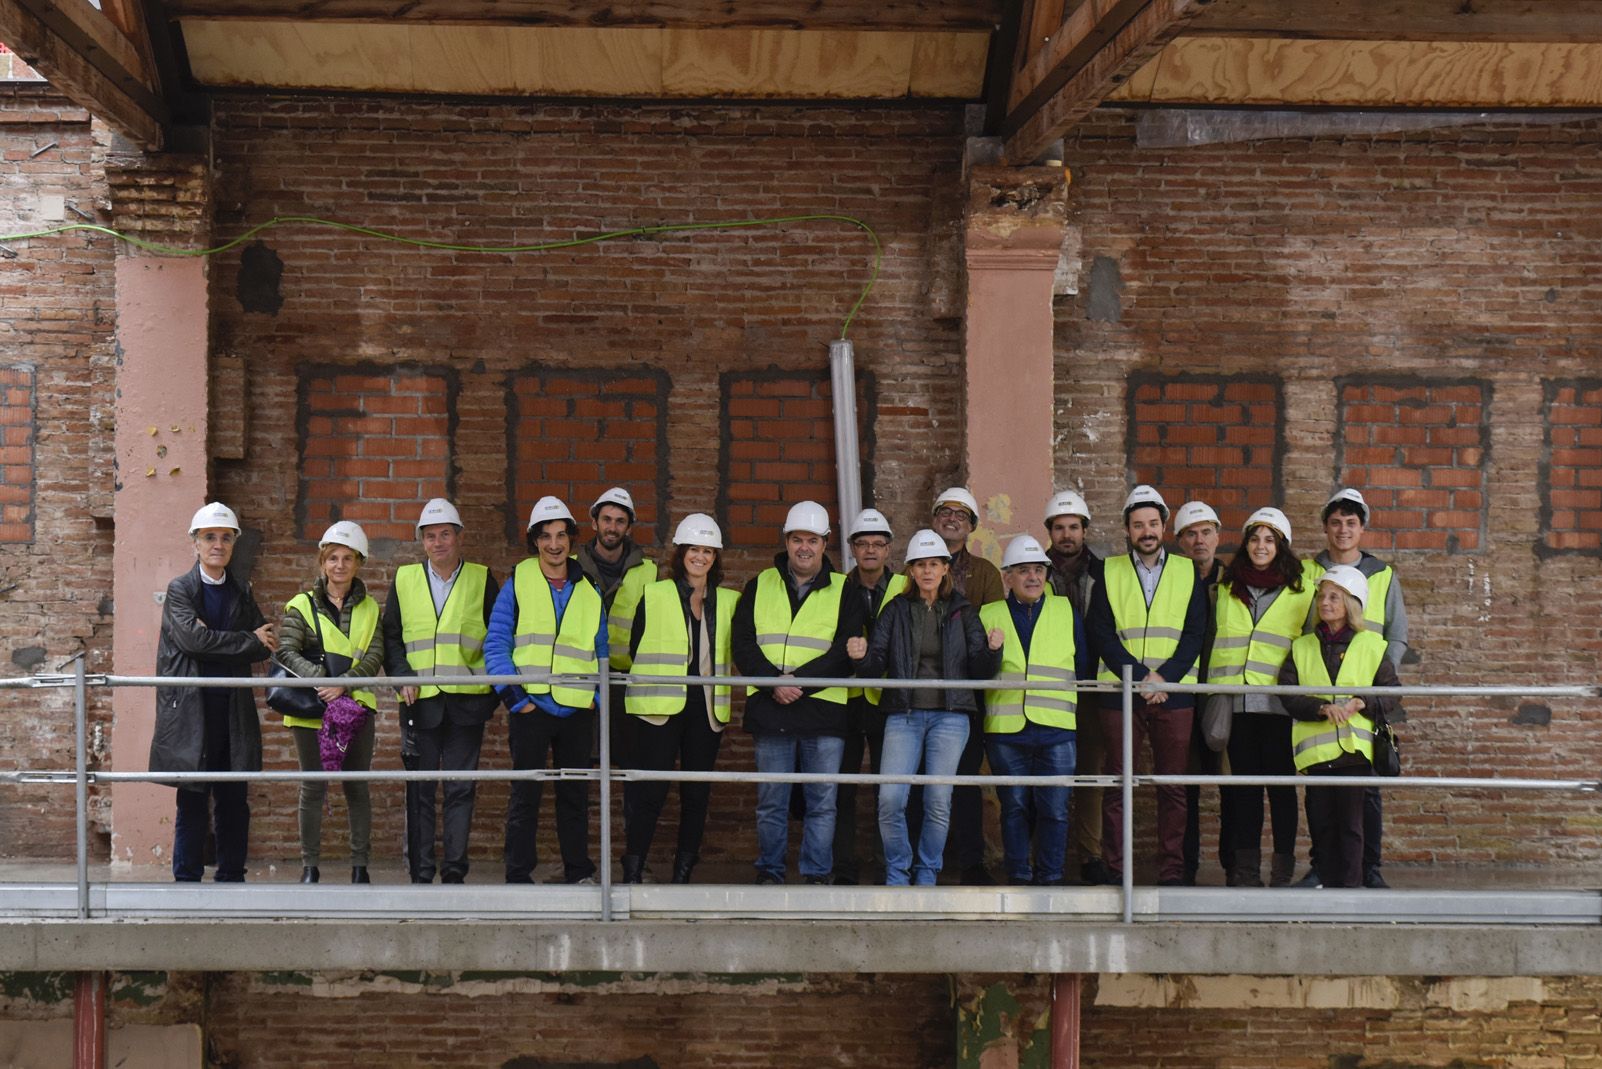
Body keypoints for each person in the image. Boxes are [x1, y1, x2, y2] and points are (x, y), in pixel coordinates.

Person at [848, 529, 1002, 885]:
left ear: (945, 569)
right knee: (890, 798)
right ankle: (898, 871)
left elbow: (981, 670)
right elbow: (876, 665)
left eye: (934, 564)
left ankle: (927, 872)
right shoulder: (896, 610)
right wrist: (861, 657)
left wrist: (993, 651)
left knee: (937, 800)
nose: (928, 571)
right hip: (903, 716)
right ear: (911, 572)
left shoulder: (963, 610)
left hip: (951, 718)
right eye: (921, 565)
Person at [731, 499, 866, 885]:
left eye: (811, 539)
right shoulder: (759, 584)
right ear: (786, 542)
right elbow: (742, 644)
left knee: (822, 803)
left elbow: (846, 650)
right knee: (770, 802)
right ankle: (770, 873)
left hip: (823, 714)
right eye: (796, 539)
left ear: (825, 544)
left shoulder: (845, 590)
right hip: (772, 711)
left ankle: (816, 875)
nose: (803, 547)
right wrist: (774, 682)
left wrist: (796, 684)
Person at [149, 502, 277, 883]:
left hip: (231, 708)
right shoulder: (180, 590)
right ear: (195, 543)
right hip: (192, 709)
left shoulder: (240, 590)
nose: (217, 544)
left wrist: (224, 640)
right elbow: (192, 640)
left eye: (225, 537)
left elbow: (264, 641)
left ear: (233, 543)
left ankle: (232, 874)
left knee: (234, 798)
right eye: (209, 537)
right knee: (191, 798)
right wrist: (242, 639)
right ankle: (186, 877)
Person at [1086, 485, 1207, 885]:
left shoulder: (1189, 571)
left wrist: (1164, 679)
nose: (1147, 531)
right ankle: (1117, 870)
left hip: (1174, 695)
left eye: (1153, 523)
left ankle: (1172, 872)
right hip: (1122, 694)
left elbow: (1194, 633)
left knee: (1172, 788)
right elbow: (1100, 633)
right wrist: (1141, 678)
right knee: (1119, 785)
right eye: (1138, 525)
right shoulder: (1108, 570)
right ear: (1127, 529)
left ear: (1164, 525)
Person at [485, 495, 608, 885]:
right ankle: (518, 874)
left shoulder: (589, 587)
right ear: (535, 541)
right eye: (546, 537)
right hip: (531, 708)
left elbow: (601, 649)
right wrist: (515, 700)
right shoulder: (518, 581)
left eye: (561, 535)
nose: (554, 544)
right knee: (526, 795)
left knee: (575, 798)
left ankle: (578, 872)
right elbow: (496, 643)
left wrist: (596, 698)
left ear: (571, 539)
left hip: (576, 710)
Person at [381, 498, 499, 884]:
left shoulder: (482, 579)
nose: (438, 542)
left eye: (445, 534)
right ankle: (421, 872)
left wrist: (490, 697)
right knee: (420, 792)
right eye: (430, 536)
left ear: (459, 537)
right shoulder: (404, 579)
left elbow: (498, 640)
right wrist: (401, 676)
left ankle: (453, 872)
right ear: (422, 541)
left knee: (460, 789)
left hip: (467, 704)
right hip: (420, 703)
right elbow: (392, 637)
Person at [1297, 487, 1409, 889]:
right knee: (1320, 797)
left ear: (1362, 528)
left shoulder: (1382, 575)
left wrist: (1377, 679)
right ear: (1326, 527)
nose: (1343, 530)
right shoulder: (1308, 571)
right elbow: (1301, 631)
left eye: (1351, 523)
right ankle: (1320, 868)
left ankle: (1369, 869)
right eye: (1336, 522)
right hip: (1322, 703)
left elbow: (1396, 636)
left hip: (1367, 700)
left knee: (1367, 795)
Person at [622, 513, 739, 885]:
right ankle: (633, 868)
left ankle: (683, 873)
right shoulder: (655, 594)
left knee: (696, 795)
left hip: (706, 710)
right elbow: (634, 645)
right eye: (694, 549)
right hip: (660, 707)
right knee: (650, 792)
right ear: (681, 553)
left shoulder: (729, 601)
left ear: (715, 557)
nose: (700, 557)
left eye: (707, 551)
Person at [1207, 507, 1313, 887]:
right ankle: (1246, 869)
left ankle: (1282, 868)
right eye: (1254, 538)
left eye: (1269, 540)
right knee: (1245, 789)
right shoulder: (1227, 586)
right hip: (1236, 701)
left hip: (1280, 704)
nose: (1261, 546)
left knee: (1282, 789)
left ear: (1281, 545)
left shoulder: (1303, 590)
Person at [276, 520, 385, 885]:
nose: (340, 565)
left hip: (356, 709)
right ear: (322, 563)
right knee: (314, 786)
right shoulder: (301, 605)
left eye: (348, 558)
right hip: (312, 708)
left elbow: (374, 657)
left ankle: (360, 867)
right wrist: (325, 683)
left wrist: (345, 685)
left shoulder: (371, 609)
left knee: (356, 785)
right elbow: (287, 652)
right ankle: (310, 867)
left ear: (359, 563)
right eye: (333, 558)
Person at [980, 535, 1092, 886]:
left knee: (1055, 811)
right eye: (1023, 570)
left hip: (1056, 728)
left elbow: (1084, 665)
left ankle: (1050, 878)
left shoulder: (1065, 611)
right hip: (1006, 730)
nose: (1032, 577)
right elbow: (977, 670)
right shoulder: (988, 614)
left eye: (1038, 570)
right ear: (1007, 577)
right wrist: (992, 652)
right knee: (1013, 808)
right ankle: (1018, 875)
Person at [1280, 565, 1399, 888]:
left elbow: (1391, 694)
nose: (1324, 602)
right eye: (1322, 595)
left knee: (1351, 825)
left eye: (1334, 596)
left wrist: (1362, 702)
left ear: (1351, 604)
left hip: (1354, 753)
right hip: (1317, 753)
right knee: (1321, 822)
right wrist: (1320, 708)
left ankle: (1350, 887)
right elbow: (1287, 694)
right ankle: (1322, 877)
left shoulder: (1373, 645)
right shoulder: (1302, 646)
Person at [930, 486, 1005, 884]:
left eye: (961, 513)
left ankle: (971, 860)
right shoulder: (914, 566)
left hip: (967, 693)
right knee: (923, 779)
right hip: (923, 691)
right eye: (945, 511)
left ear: (972, 526)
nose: (952, 518)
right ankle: (928, 859)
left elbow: (987, 630)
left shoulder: (986, 574)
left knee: (966, 778)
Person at [835, 507, 903, 885]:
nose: (871, 551)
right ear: (853, 549)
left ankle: (884, 864)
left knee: (887, 789)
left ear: (889, 549)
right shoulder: (836, 587)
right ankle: (843, 866)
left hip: (886, 701)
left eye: (878, 544)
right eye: (863, 544)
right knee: (841, 788)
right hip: (845, 699)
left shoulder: (903, 588)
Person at [1044, 489, 1109, 886]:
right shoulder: (1034, 570)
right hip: (1048, 688)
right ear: (1049, 532)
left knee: (1091, 776)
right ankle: (1043, 856)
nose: (1066, 534)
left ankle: (1091, 856)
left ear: (1085, 530)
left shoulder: (1105, 573)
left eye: (1073, 527)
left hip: (1093, 688)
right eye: (1059, 528)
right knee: (1045, 776)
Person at [576, 487, 657, 776]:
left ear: (629, 527)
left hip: (628, 683)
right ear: (594, 522)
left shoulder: (650, 572)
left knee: (632, 770)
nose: (612, 527)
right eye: (607, 519)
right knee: (579, 770)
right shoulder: (572, 568)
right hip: (581, 681)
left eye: (619, 521)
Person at [1174, 500, 1231, 886]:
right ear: (1179, 540)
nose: (1199, 540)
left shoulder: (1236, 580)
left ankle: (1234, 866)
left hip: (1225, 693)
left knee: (1232, 785)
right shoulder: (1172, 580)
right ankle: (1185, 864)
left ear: (1218, 535)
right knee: (1184, 785)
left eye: (1206, 532)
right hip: (1184, 693)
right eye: (1191, 534)